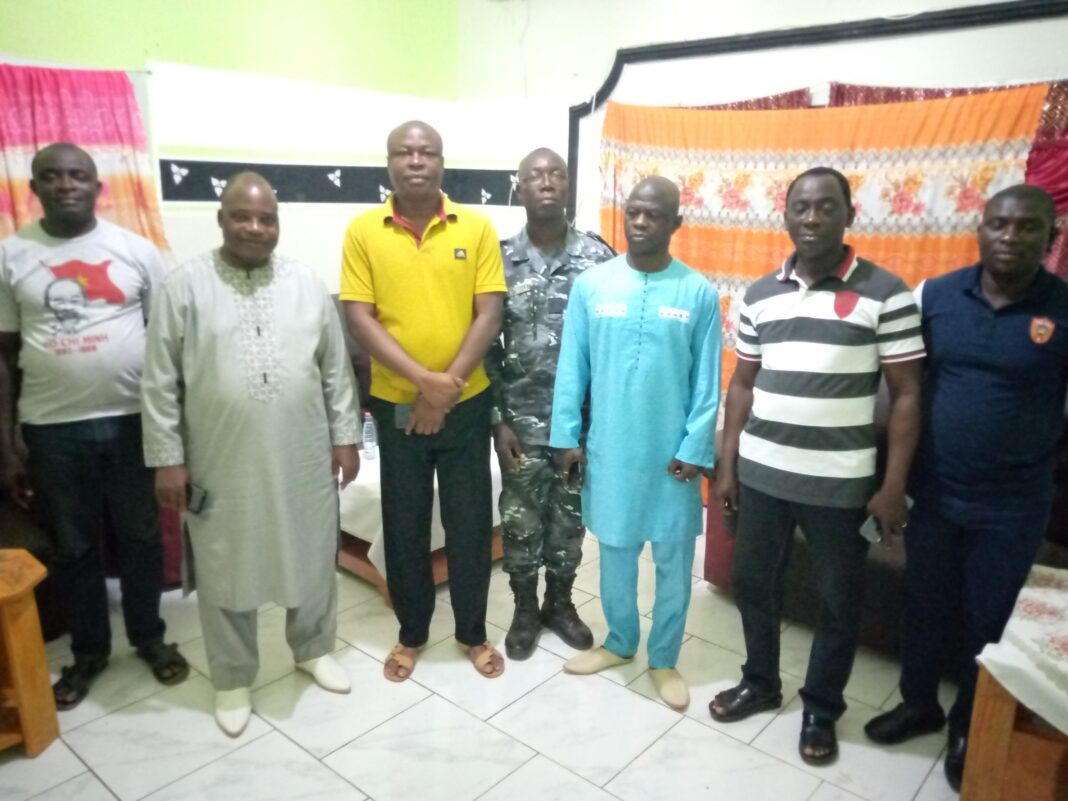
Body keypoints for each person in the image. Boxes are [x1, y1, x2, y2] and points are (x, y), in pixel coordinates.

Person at [711, 167, 924, 764]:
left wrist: (893, 485)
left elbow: (908, 394)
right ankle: (760, 681)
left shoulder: (886, 293)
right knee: (754, 583)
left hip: (840, 485)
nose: (811, 218)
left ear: (849, 215)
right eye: (800, 207)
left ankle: (821, 708)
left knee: (838, 601)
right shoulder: (760, 294)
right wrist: (727, 467)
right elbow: (742, 385)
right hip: (761, 474)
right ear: (785, 215)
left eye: (825, 207)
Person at [141, 172, 360, 736]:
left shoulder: (307, 284)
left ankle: (313, 649)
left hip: (303, 453)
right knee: (225, 560)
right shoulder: (182, 287)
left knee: (312, 552)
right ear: (222, 220)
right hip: (219, 457)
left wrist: (345, 438)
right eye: (242, 216)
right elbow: (159, 382)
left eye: (267, 218)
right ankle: (233, 676)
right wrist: (167, 458)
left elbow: (335, 371)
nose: (255, 227)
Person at [864, 184, 1067, 791]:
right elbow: (904, 388)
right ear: (980, 229)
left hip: (1014, 504)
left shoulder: (1063, 308)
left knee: (988, 618)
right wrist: (891, 479)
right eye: (998, 224)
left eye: (1027, 227)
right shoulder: (935, 295)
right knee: (923, 603)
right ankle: (918, 703)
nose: (1010, 236)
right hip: (935, 492)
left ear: (1051, 237)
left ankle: (968, 728)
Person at [0, 142, 188, 710]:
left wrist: (173, 428)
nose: (66, 185)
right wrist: (7, 444)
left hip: (133, 423)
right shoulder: (11, 257)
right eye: (52, 176)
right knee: (73, 547)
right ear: (34, 188)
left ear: (97, 186)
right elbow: (4, 356)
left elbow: (168, 347)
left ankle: (149, 637)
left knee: (140, 538)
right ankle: (88, 653)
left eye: (77, 175)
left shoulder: (135, 251)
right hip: (52, 430)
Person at [341, 121, 507, 682]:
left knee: (470, 523)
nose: (415, 160)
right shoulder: (363, 232)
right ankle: (411, 633)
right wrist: (421, 383)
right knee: (405, 524)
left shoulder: (476, 227)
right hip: (396, 405)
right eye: (404, 152)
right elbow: (359, 318)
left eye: (427, 152)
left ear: (441, 161)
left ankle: (473, 633)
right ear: (389, 162)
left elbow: (489, 314)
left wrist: (445, 389)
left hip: (466, 404)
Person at [550, 176, 720, 709]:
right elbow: (572, 368)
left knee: (674, 561)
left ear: (675, 223)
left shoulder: (697, 293)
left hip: (673, 458)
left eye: (654, 214)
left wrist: (695, 447)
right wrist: (565, 438)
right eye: (634, 212)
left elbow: (707, 382)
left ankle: (664, 658)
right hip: (612, 450)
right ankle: (621, 642)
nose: (641, 222)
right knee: (616, 554)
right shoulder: (592, 286)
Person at [484, 148, 614, 660]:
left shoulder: (598, 258)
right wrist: (497, 420)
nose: (546, 182)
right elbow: (484, 346)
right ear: (519, 187)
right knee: (519, 524)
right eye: (534, 175)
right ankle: (524, 610)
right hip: (519, 423)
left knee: (568, 523)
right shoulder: (498, 258)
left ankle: (559, 604)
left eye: (556, 174)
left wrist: (597, 424)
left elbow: (610, 342)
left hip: (578, 428)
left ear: (567, 185)